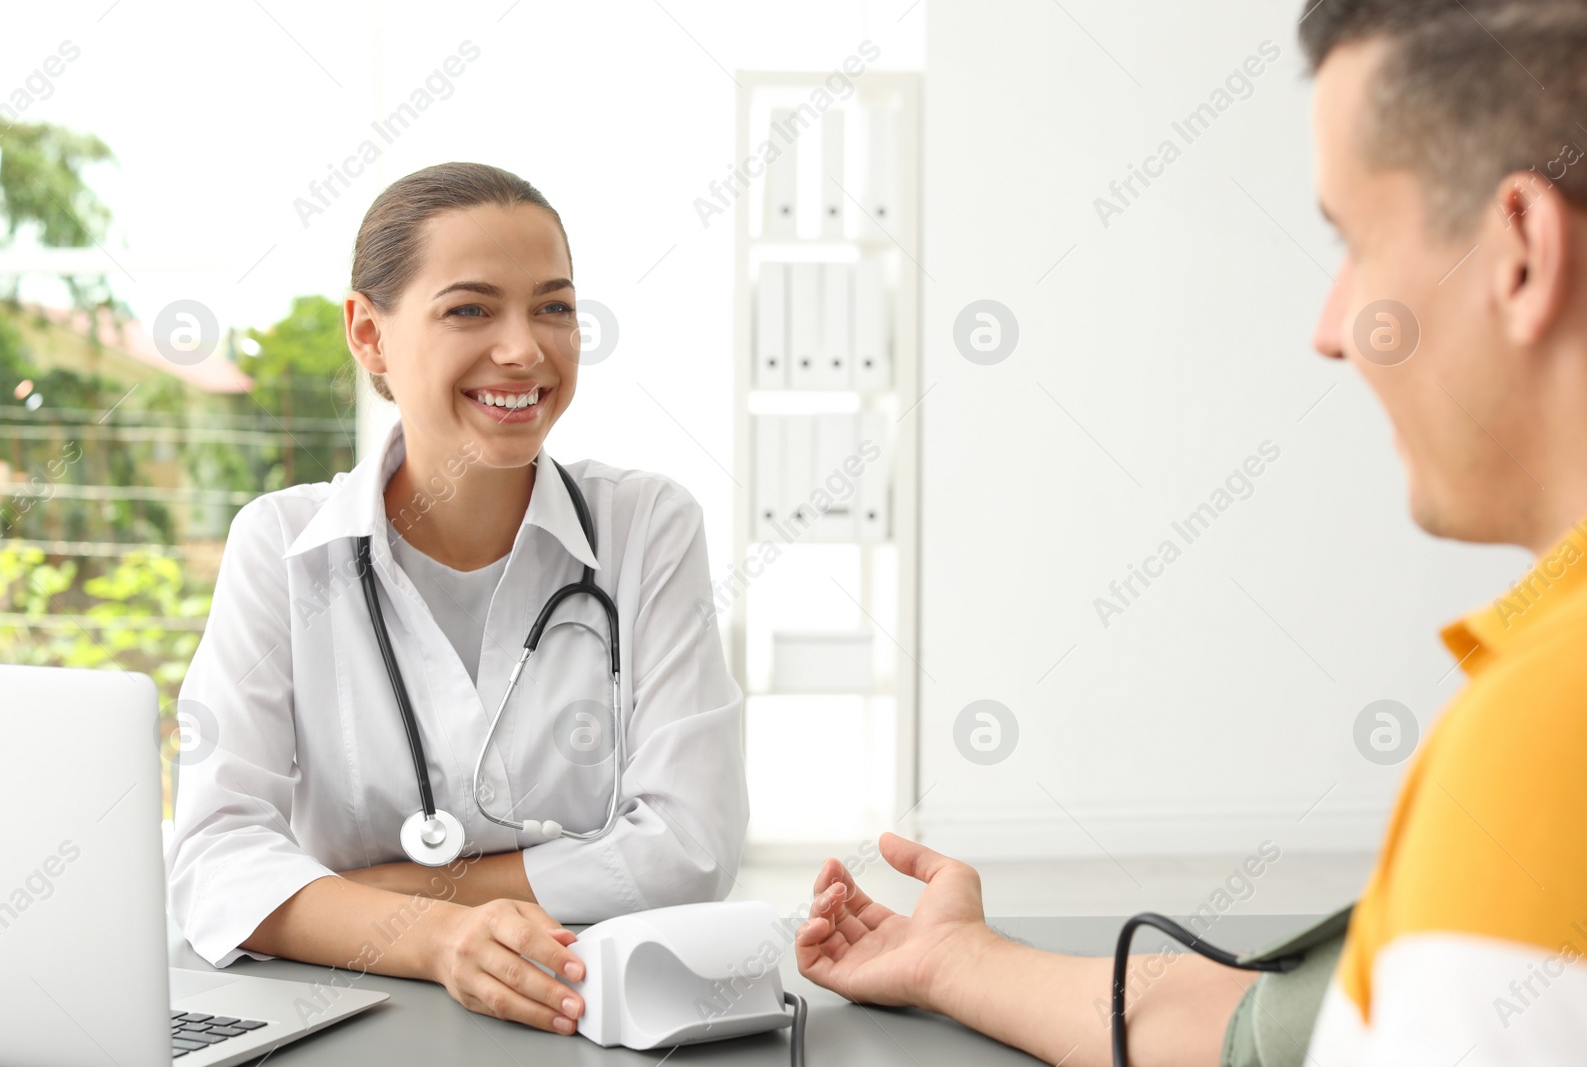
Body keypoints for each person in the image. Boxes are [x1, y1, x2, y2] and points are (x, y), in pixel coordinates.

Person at [795, 1, 1587, 1063]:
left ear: (1521, 251)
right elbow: (1282, 1036)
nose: (1329, 326)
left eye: (1353, 241)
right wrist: (951, 960)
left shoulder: (1542, 737)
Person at [164, 162, 747, 1037]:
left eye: (553, 306)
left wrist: (366, 896)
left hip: (580, 1012)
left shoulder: (647, 526)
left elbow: (688, 849)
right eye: (470, 308)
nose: (524, 349)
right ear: (367, 333)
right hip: (345, 1017)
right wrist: (436, 935)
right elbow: (212, 857)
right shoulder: (280, 548)